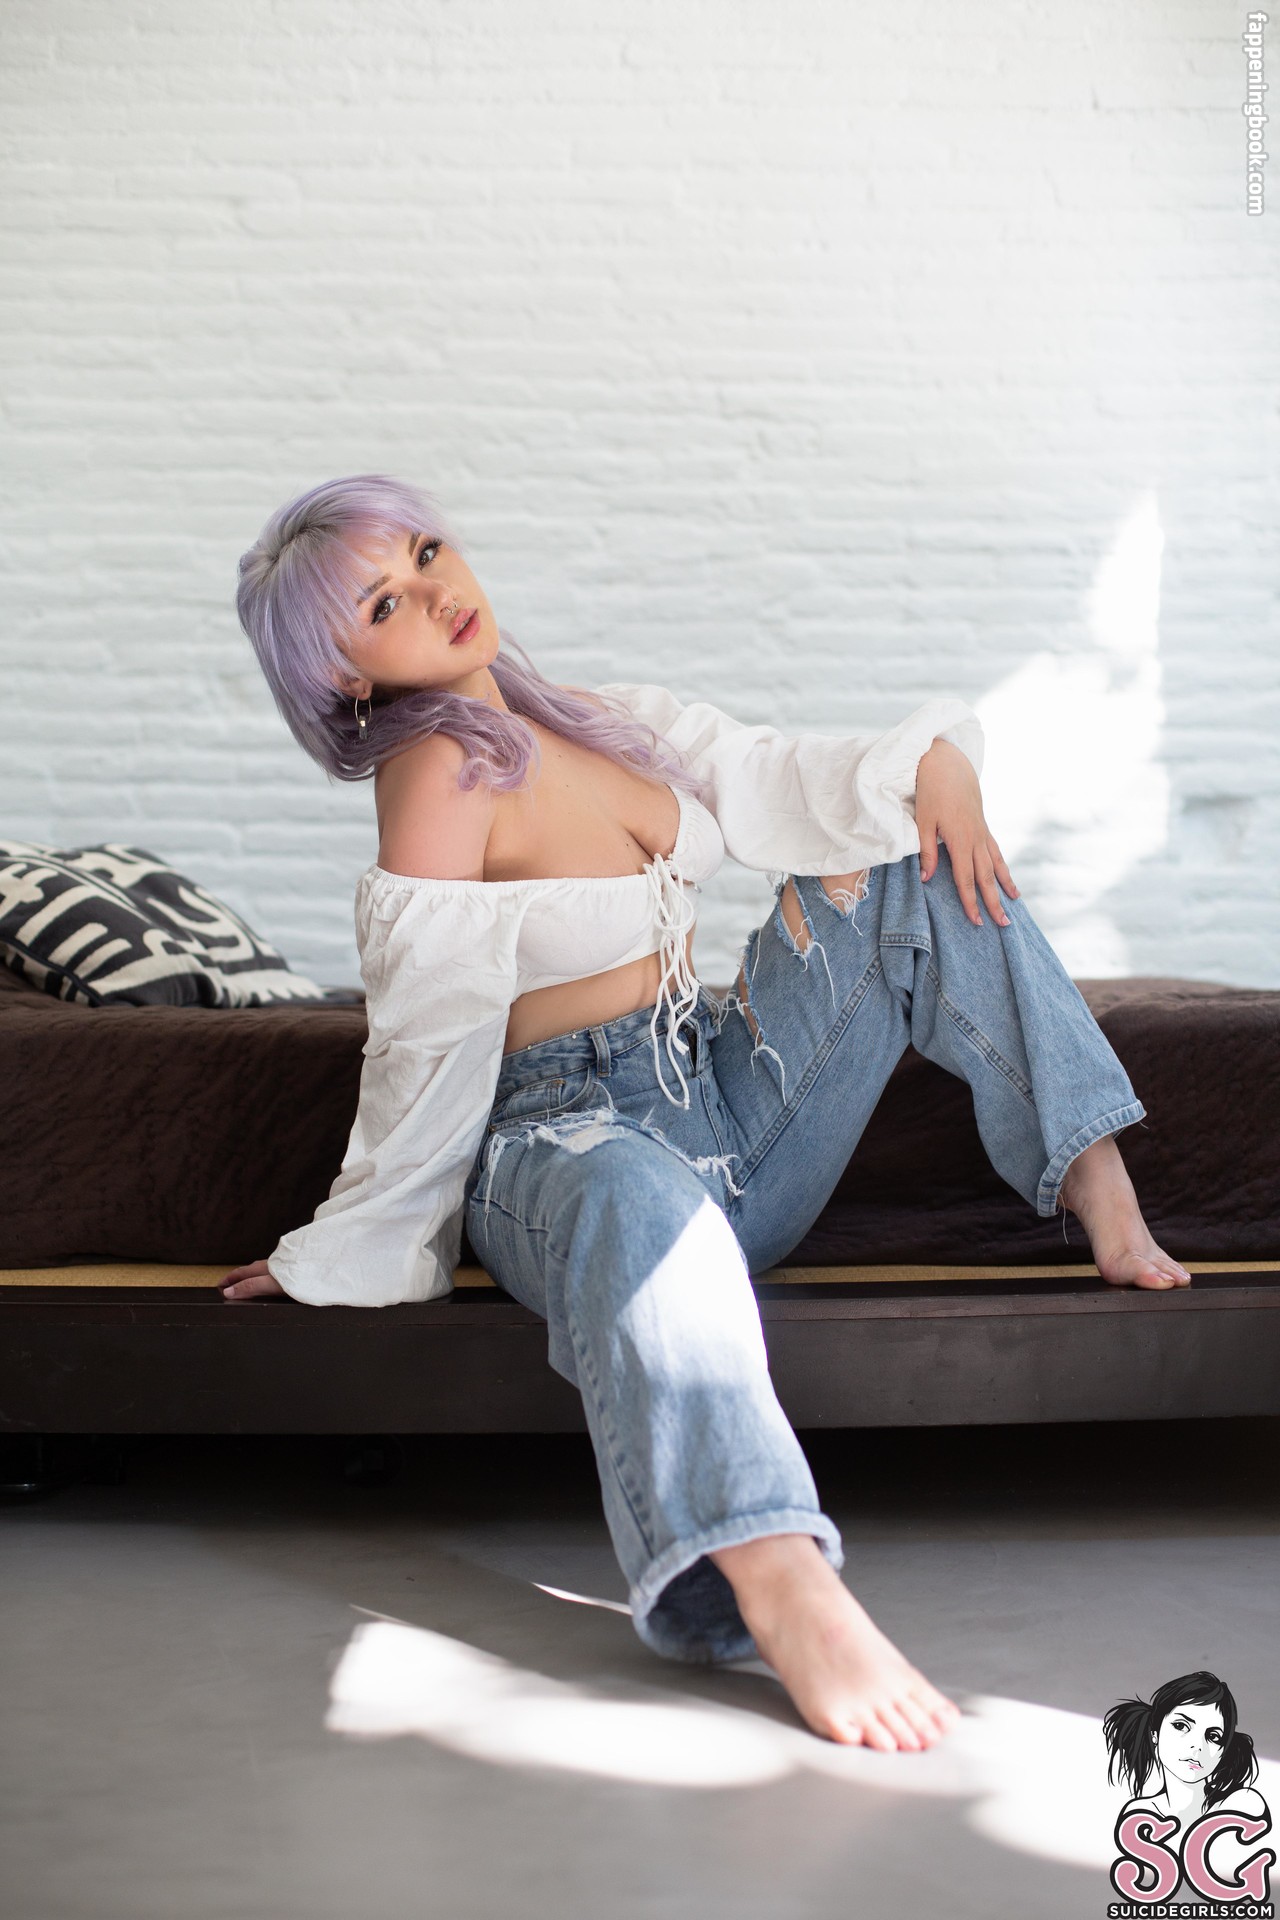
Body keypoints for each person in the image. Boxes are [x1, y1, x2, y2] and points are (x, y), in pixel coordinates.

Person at [226, 473, 1190, 1754]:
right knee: (633, 1192)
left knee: (902, 851)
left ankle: (1089, 1169)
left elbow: (784, 776)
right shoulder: (437, 769)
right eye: (383, 603)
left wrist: (939, 767)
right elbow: (423, 1033)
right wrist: (348, 1243)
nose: (434, 591)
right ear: (347, 676)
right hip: (561, 1139)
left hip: (720, 1107)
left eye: (426, 550)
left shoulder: (603, 717)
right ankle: (776, 1577)